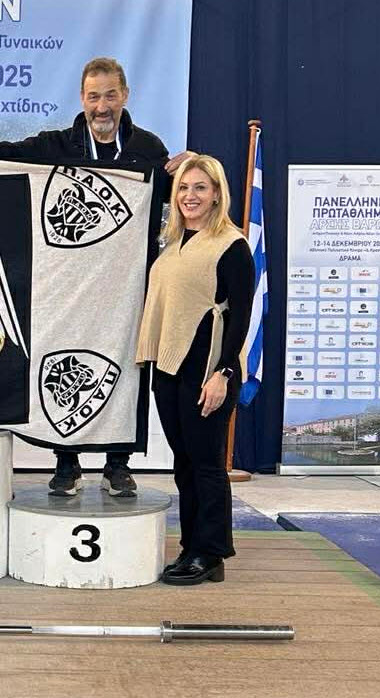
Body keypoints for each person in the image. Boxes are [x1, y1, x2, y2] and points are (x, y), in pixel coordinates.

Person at [0, 57, 192, 497]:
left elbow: (179, 196)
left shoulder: (148, 148)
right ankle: (67, 462)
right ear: (82, 98)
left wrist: (191, 167)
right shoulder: (58, 144)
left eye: (110, 95)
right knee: (66, 361)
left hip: (127, 287)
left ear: (125, 95)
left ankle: (118, 464)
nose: (102, 106)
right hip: (70, 286)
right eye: (93, 97)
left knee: (128, 369)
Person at [135, 155, 253, 585]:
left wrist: (223, 373)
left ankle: (212, 553)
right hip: (170, 366)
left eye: (201, 187)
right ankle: (191, 546)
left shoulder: (231, 245)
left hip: (207, 368)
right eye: (184, 188)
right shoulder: (172, 243)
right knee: (184, 463)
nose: (190, 196)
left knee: (206, 464)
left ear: (217, 194)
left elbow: (240, 317)